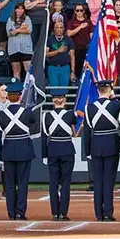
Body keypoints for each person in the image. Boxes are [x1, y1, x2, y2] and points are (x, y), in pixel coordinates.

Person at [0, 86, 37, 220]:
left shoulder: (1, 115)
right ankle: (20, 212)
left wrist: (0, 156)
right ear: (20, 96)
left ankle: (11, 213)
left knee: (10, 184)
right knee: (22, 183)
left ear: (7, 96)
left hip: (8, 151)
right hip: (24, 150)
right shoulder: (27, 112)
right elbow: (33, 122)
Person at [83, 78, 120, 220]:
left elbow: (87, 132)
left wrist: (87, 151)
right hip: (112, 144)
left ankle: (98, 213)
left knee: (98, 180)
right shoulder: (116, 105)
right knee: (109, 180)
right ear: (110, 90)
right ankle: (108, 212)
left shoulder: (89, 108)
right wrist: (114, 98)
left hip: (96, 145)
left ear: (98, 90)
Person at [41, 87, 77, 219]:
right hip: (67, 148)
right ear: (64, 100)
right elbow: (75, 124)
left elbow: (44, 137)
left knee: (53, 183)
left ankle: (55, 212)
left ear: (53, 100)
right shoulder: (70, 114)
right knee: (66, 183)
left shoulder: (46, 116)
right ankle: (63, 212)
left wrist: (44, 154)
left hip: (53, 149)